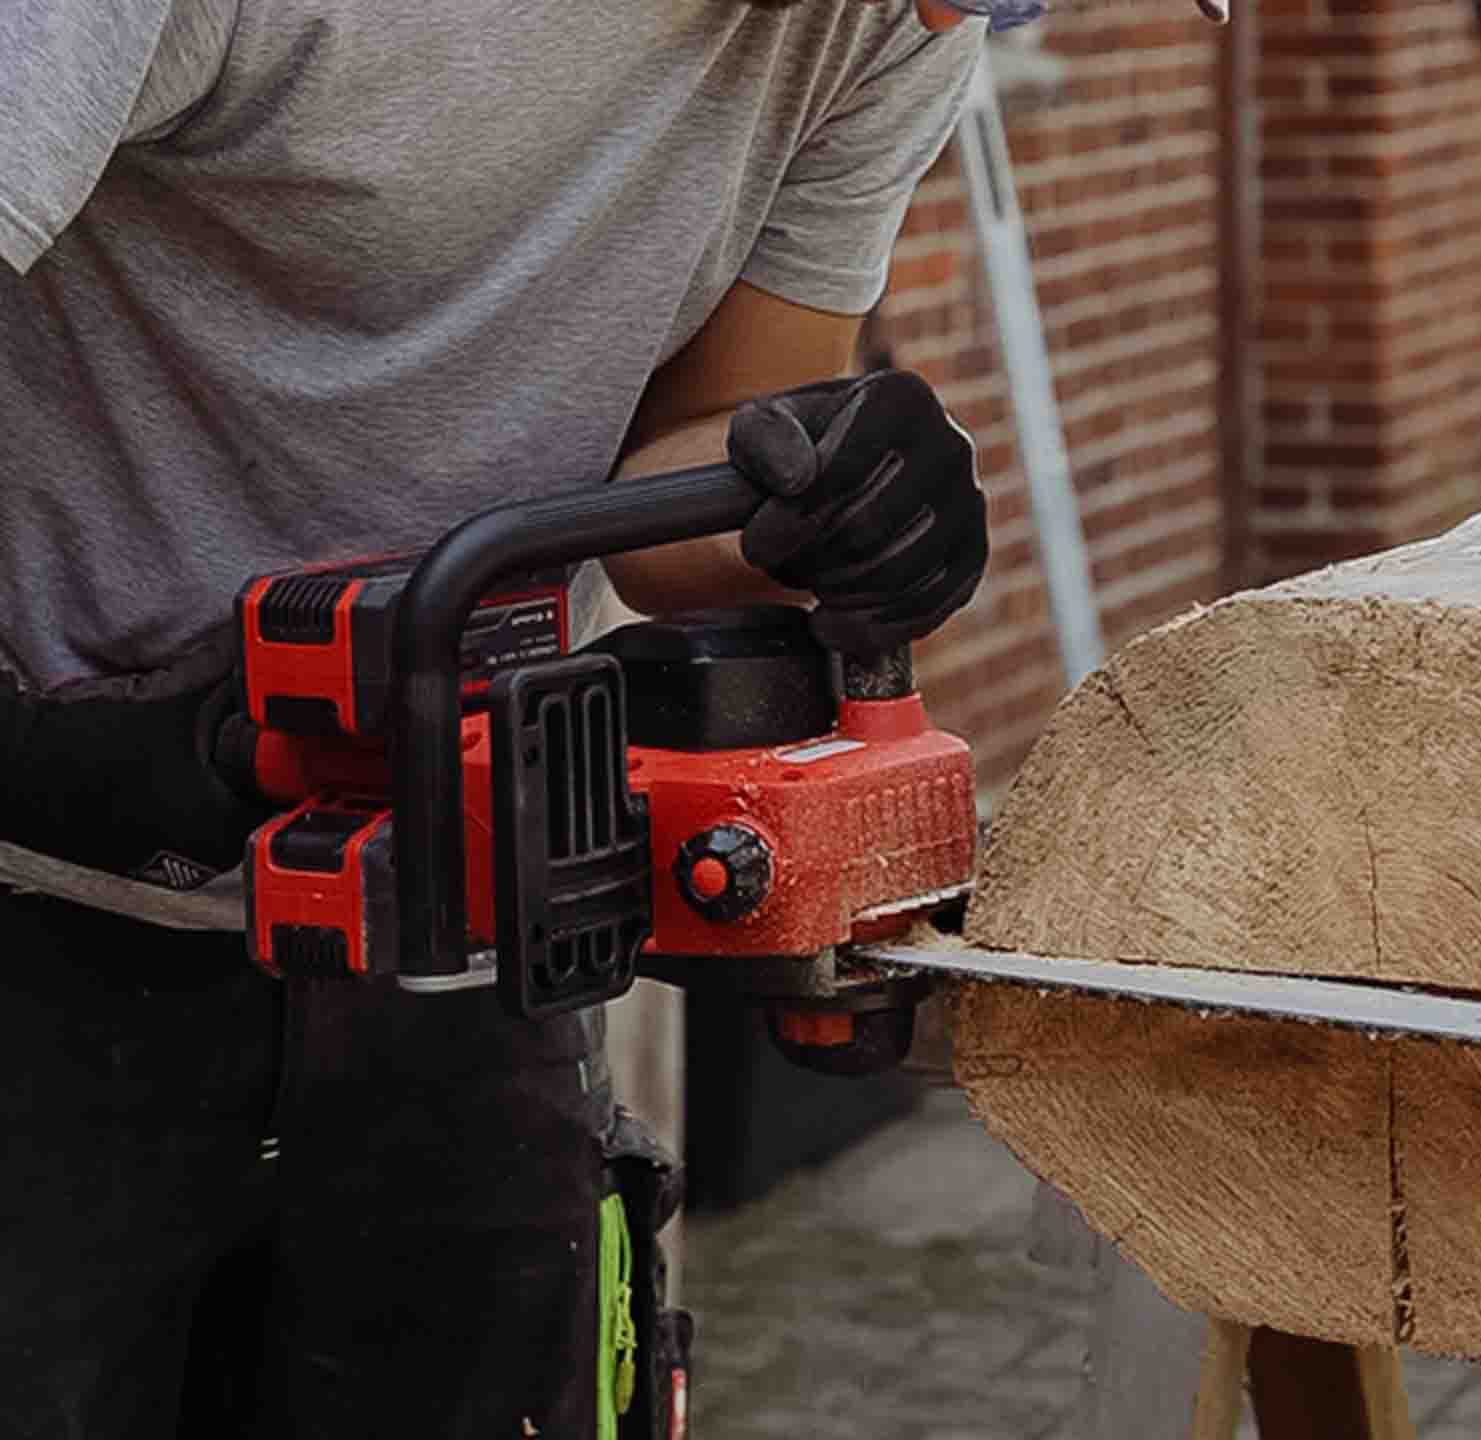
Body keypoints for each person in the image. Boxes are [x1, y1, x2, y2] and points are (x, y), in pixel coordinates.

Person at [0, 0, 1222, 1432]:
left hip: (468, 901)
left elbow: (690, 474)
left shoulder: (900, 25)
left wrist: (813, 493)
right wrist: (41, 760)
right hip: (41, 914)